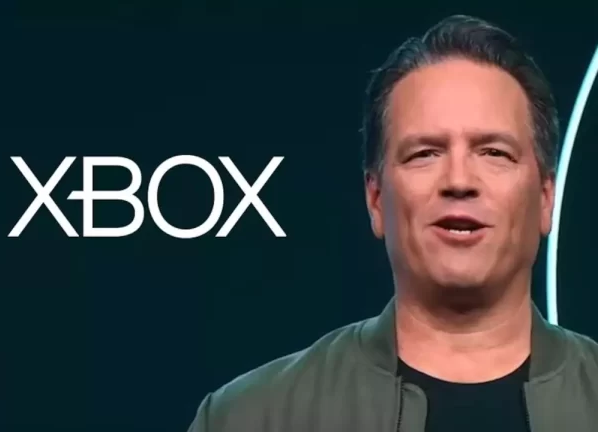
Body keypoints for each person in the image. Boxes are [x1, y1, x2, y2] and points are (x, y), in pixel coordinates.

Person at [187, 14, 598, 432]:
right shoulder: (250, 417)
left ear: (546, 198)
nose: (459, 181)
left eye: (494, 153)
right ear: (376, 199)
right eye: (424, 154)